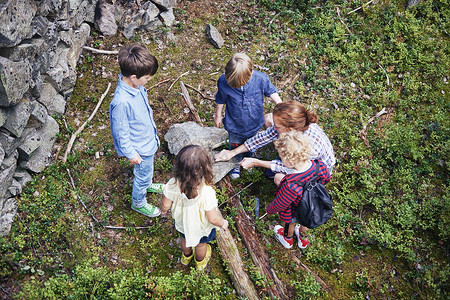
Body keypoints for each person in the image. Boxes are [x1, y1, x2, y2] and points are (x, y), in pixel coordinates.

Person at [214, 100, 335, 184]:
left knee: (278, 178)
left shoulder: (310, 147)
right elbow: (262, 138)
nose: (274, 128)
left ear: (290, 129)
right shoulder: (294, 127)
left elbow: (291, 167)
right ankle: (281, 156)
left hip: (313, 171)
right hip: (294, 156)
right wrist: (233, 152)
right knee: (268, 119)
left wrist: (257, 162)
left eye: (278, 126)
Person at [109, 43, 163, 218]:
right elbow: (120, 132)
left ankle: (147, 183)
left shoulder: (136, 87)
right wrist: (131, 153)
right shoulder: (121, 102)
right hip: (140, 148)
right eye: (146, 78)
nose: (148, 81)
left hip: (147, 140)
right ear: (133, 77)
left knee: (147, 170)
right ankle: (138, 202)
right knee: (142, 175)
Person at [160, 145, 229, 270]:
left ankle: (186, 257)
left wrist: (164, 211)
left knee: (184, 239)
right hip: (200, 227)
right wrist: (222, 223)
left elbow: (165, 205)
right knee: (201, 244)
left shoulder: (172, 183)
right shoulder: (207, 192)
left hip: (182, 222)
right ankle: (200, 263)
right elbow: (212, 218)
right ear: (205, 169)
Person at [214, 53, 282, 179]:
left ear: (250, 73)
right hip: (234, 124)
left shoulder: (261, 79)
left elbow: (271, 91)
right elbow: (220, 98)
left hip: (254, 122)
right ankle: (236, 163)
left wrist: (281, 105)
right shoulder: (223, 81)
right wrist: (218, 115)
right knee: (235, 144)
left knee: (252, 143)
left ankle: (248, 159)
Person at [267, 131, 331, 249]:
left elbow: (281, 203)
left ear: (290, 162)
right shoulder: (320, 165)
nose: (281, 160)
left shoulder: (290, 183)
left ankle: (287, 239)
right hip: (313, 205)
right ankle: (303, 239)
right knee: (305, 221)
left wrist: (270, 209)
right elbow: (326, 179)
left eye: (282, 158)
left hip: (294, 209)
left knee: (290, 222)